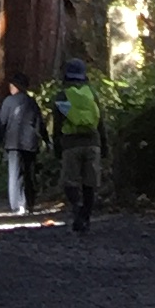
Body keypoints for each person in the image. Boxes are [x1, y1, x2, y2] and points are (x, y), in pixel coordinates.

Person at [54, 53, 107, 230]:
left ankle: (77, 210)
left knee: (70, 182)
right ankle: (86, 216)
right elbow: (101, 120)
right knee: (90, 183)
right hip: (93, 143)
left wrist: (56, 147)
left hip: (71, 144)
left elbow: (58, 124)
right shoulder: (92, 93)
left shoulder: (62, 95)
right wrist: (104, 145)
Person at [0, 77, 45, 222]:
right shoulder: (31, 102)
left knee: (15, 173)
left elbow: (2, 122)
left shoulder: (8, 101)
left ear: (15, 86)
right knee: (29, 173)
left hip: (13, 143)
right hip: (30, 142)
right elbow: (39, 123)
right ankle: (29, 203)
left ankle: (16, 204)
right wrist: (46, 139)